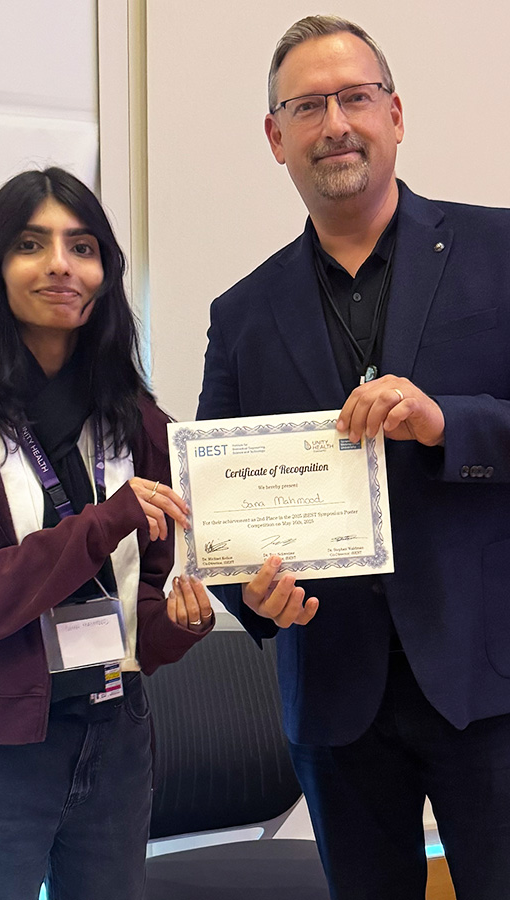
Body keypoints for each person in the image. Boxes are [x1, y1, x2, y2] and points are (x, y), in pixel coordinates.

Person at [198, 15, 510, 899]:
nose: (334, 122)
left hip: (489, 678)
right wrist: (245, 595)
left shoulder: (500, 250)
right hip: (334, 695)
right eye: (307, 106)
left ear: (396, 113)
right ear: (276, 137)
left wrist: (447, 421)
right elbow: (218, 500)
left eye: (355, 97)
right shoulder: (244, 311)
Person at [0, 167, 213, 900]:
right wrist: (101, 520)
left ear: (104, 273)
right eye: (30, 244)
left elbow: (134, 602)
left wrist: (177, 624)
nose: (59, 265)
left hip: (117, 735)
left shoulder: (138, 419)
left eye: (81, 246)